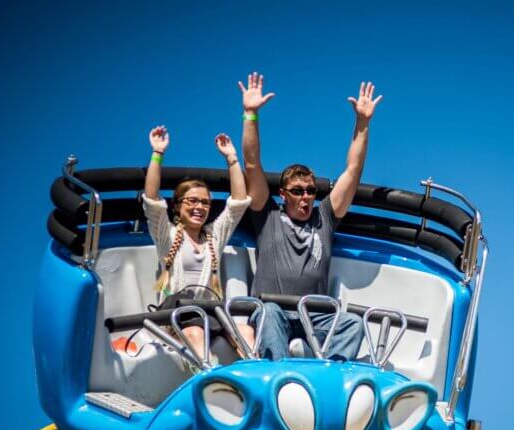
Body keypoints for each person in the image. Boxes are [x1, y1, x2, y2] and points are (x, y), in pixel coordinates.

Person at [239, 72, 377, 361]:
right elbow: (251, 164)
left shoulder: (324, 217)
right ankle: (276, 379)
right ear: (283, 194)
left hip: (315, 316)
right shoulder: (268, 217)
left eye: (311, 191)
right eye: (298, 191)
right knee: (270, 313)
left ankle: (331, 380)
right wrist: (250, 115)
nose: (305, 197)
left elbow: (353, 171)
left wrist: (362, 123)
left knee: (353, 324)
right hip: (273, 309)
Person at [142, 125, 254, 364]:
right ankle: (206, 381)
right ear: (177, 205)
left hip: (211, 312)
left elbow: (238, 204)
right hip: (178, 315)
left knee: (246, 332)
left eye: (205, 203)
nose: (199, 207)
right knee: (195, 332)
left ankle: (254, 378)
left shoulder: (213, 236)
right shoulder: (168, 236)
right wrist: (157, 154)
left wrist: (232, 158)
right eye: (192, 201)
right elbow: (151, 201)